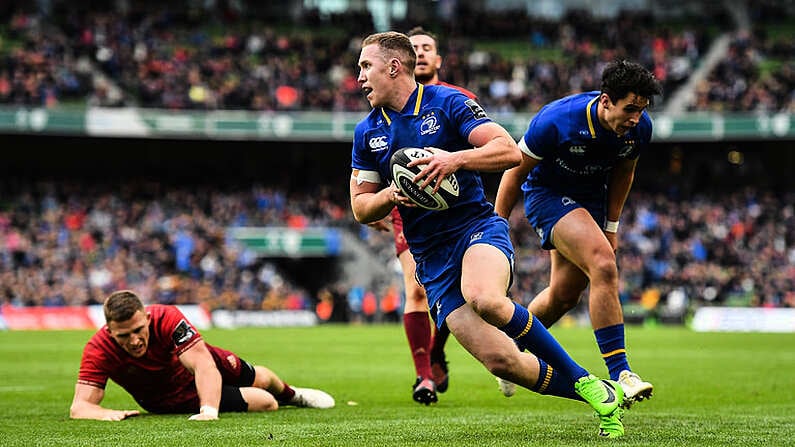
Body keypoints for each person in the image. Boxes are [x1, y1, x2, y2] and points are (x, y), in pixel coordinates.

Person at [350, 31, 625, 438]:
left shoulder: (449, 104)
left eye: (365, 66)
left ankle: (582, 377)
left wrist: (454, 159)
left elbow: (508, 151)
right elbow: (360, 207)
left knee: (486, 298)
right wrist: (394, 191)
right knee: (503, 362)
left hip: (476, 229)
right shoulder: (367, 132)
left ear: (393, 67)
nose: (359, 77)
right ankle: (599, 394)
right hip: (432, 259)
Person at [495, 59, 663, 408]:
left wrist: (611, 226)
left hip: (590, 202)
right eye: (629, 108)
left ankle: (509, 350)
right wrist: (496, 226)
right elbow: (514, 172)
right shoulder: (556, 119)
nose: (635, 118)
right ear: (605, 101)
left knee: (563, 296)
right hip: (547, 196)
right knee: (603, 263)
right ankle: (621, 373)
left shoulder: (639, 129)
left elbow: (624, 173)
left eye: (641, 110)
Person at [367, 25, 480, 405]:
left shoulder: (455, 99)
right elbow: (372, 157)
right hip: (408, 207)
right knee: (415, 288)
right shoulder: (380, 110)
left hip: (458, 210)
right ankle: (423, 376)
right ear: (399, 62)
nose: (421, 53)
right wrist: (382, 200)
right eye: (415, 47)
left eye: (427, 47)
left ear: (435, 59)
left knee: (458, 293)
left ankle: (434, 350)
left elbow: (484, 153)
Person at [70, 290, 335, 421]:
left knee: (261, 379)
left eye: (139, 330)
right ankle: (284, 399)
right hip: (171, 400)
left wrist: (209, 411)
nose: (134, 340)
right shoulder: (98, 349)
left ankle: (294, 395)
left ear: (147, 318)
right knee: (267, 402)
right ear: (109, 330)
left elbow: (203, 365)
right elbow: (80, 406)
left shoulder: (167, 317)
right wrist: (104, 414)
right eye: (123, 336)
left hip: (206, 368)